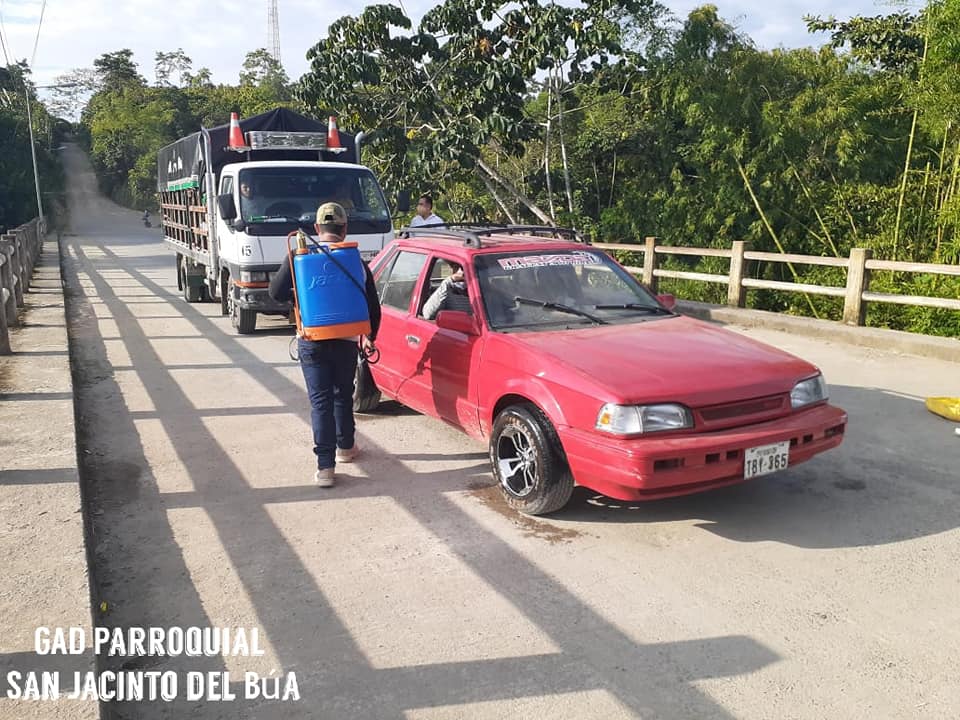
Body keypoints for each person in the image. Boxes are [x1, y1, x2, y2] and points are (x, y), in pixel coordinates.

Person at [268, 202, 382, 488]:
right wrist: (371, 336)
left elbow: (275, 292)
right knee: (342, 394)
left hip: (312, 340)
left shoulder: (300, 256)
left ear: (317, 228)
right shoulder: (356, 261)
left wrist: (301, 296)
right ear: (345, 228)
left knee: (320, 402)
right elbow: (372, 305)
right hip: (346, 340)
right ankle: (346, 448)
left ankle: (325, 468)